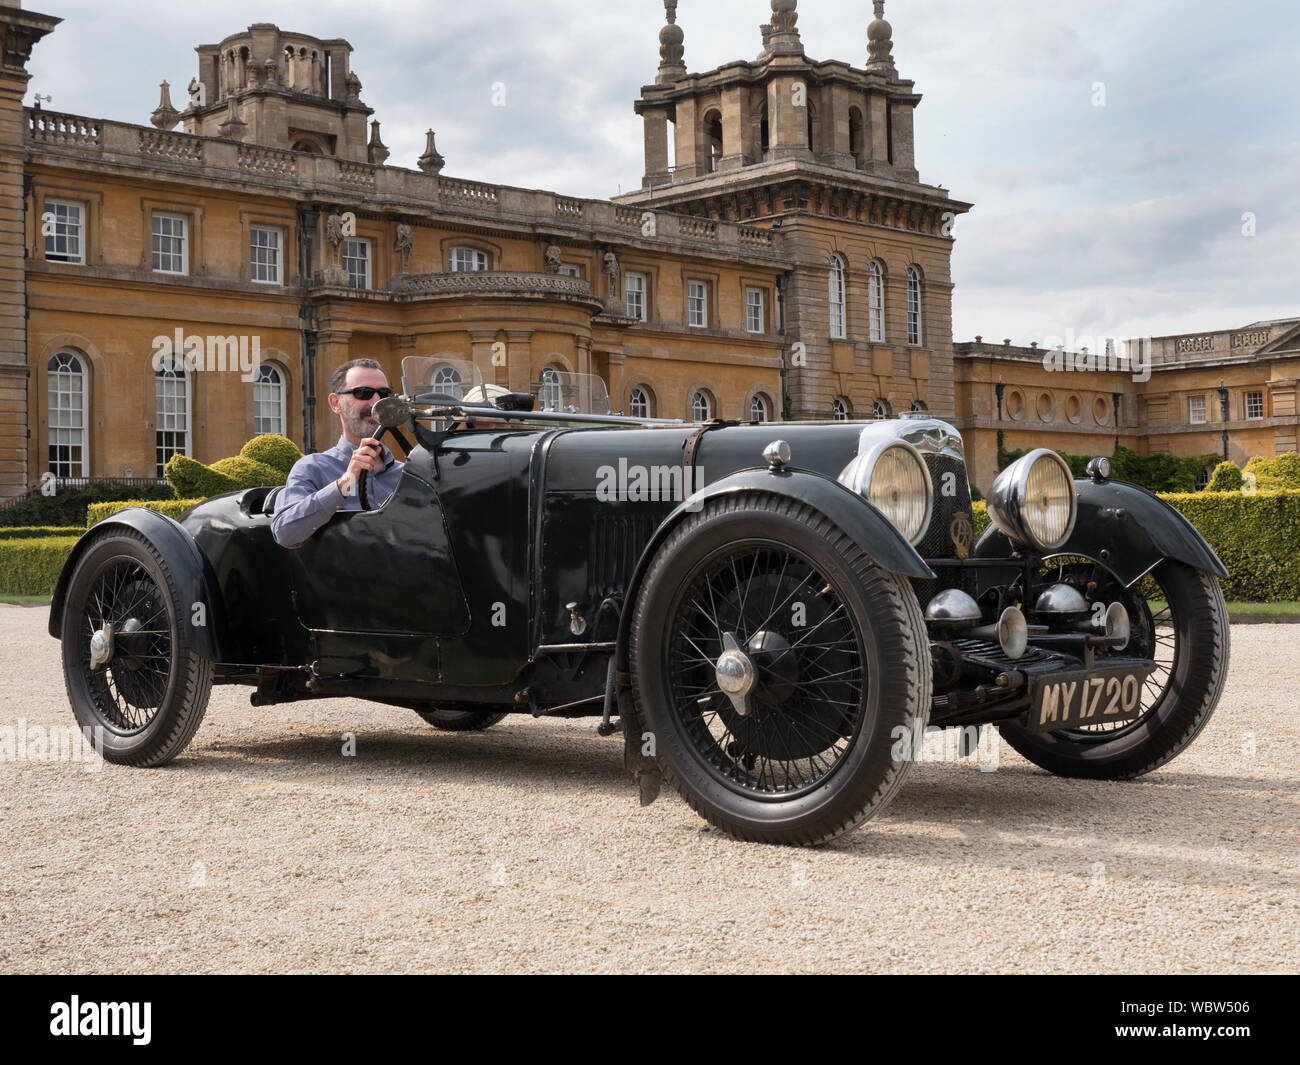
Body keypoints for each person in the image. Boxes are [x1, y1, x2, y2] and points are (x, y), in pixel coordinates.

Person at [271, 358, 405, 549]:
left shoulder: (408, 474)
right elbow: (285, 533)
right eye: (363, 393)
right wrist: (346, 482)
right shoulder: (313, 468)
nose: (376, 403)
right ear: (336, 403)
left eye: (383, 394)